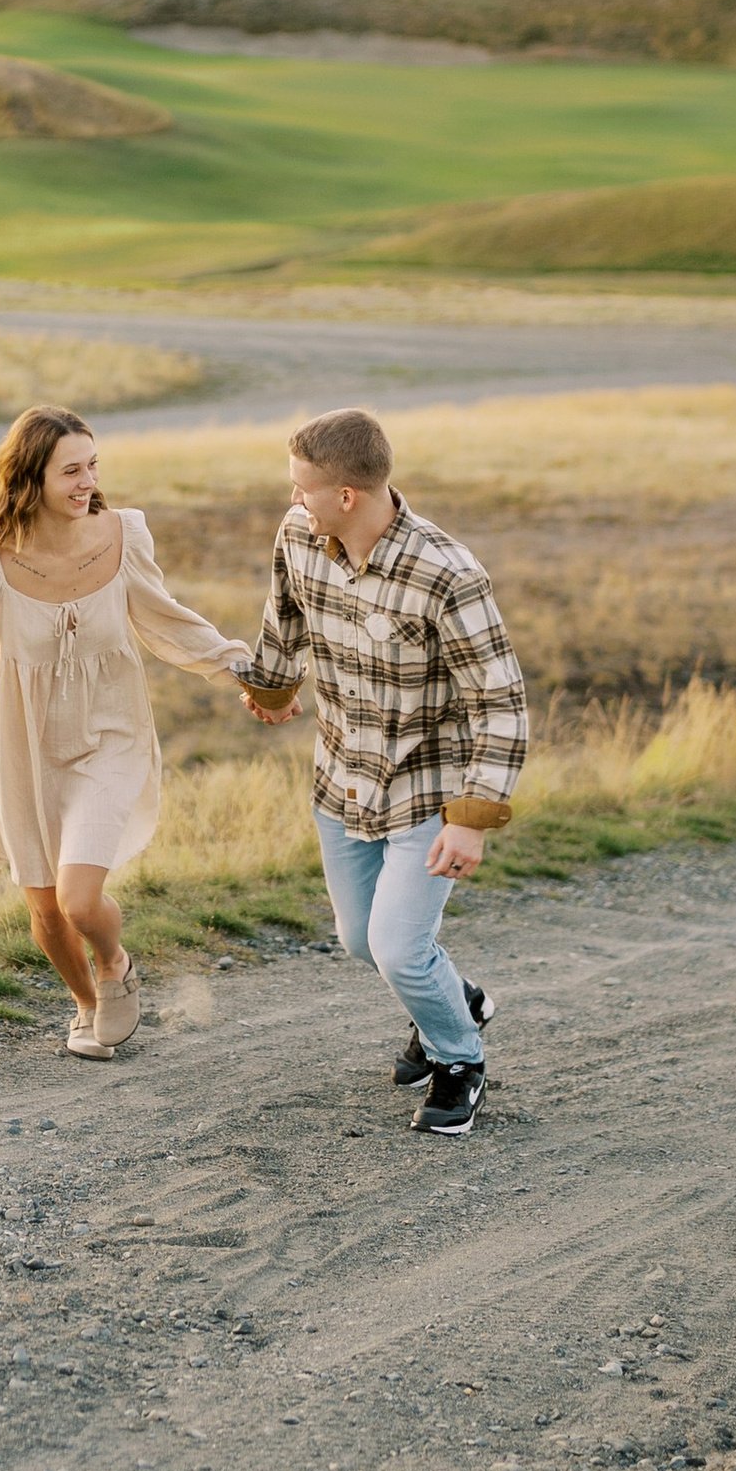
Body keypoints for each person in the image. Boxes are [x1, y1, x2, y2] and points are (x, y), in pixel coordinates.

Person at [0, 405, 253, 1052]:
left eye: (92, 466)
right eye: (71, 471)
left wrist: (242, 670)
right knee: (47, 909)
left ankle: (114, 964)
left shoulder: (123, 534)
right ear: (29, 479)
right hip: (21, 741)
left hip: (110, 727)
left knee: (80, 902)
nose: (88, 482)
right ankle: (84, 1002)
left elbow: (165, 620)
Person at [239, 407, 528, 1137]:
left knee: (399, 949)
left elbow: (500, 703)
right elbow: (284, 617)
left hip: (427, 789)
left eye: (302, 486)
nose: (292, 497)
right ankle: (457, 1000)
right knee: (361, 940)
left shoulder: (447, 573)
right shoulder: (298, 534)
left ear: (347, 495)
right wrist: (271, 688)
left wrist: (473, 820)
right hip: (341, 778)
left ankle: (460, 1060)